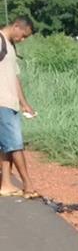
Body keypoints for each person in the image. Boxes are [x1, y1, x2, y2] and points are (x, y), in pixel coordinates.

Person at [0, 16, 39, 198]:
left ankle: (6, 184)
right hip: (2, 103)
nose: (22, 40)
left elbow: (15, 77)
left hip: (11, 102)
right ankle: (28, 185)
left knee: (6, 146)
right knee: (15, 145)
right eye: (22, 35)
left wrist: (24, 103)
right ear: (16, 26)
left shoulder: (10, 46)